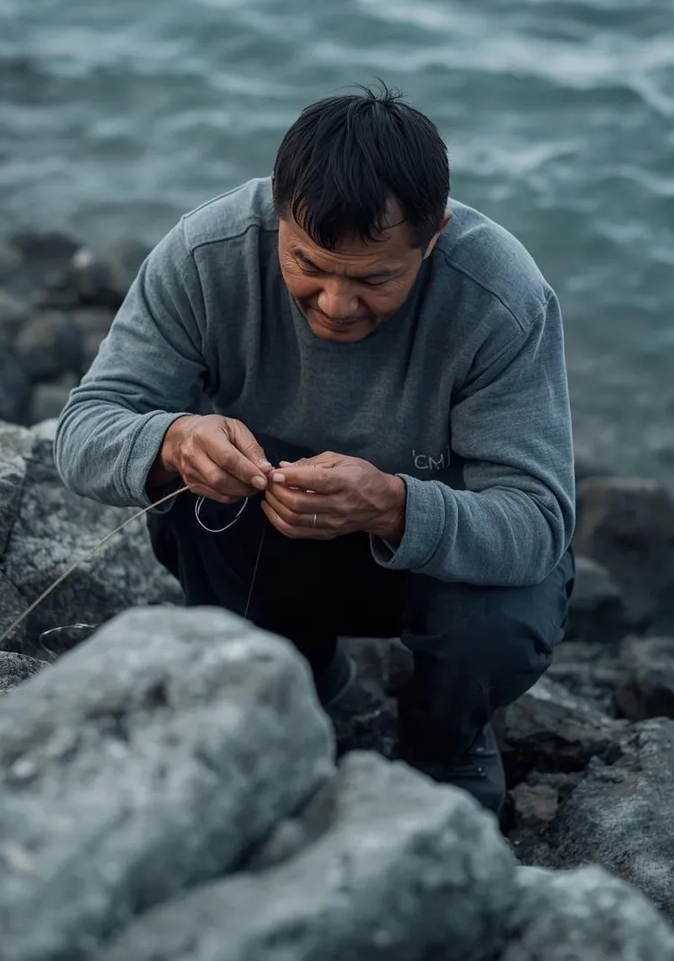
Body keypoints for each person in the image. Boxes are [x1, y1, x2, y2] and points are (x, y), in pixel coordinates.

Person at [54, 84, 576, 815]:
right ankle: (305, 679)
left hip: (434, 565)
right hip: (276, 544)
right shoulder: (207, 253)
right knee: (191, 498)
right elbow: (83, 430)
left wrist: (393, 506)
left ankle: (445, 742)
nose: (336, 304)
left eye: (374, 278)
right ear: (278, 213)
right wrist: (173, 439)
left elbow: (538, 522)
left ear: (434, 236)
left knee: (499, 620)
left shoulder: (501, 299)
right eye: (309, 264)